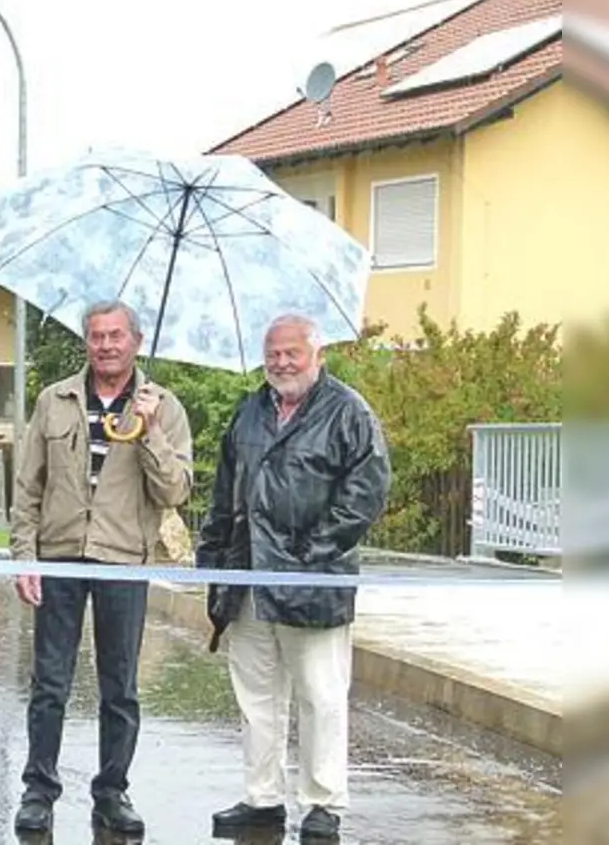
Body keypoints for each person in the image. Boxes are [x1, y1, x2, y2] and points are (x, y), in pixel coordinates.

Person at [196, 314, 391, 842]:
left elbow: (367, 492)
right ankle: (262, 798)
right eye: (273, 353)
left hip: (315, 581)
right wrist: (211, 556)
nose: (281, 363)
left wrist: (311, 553)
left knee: (320, 694)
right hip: (248, 579)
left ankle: (324, 803)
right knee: (256, 697)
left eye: (292, 353)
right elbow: (224, 491)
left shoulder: (348, 412)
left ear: (316, 354)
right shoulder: (249, 411)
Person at [8, 299, 195, 836]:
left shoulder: (164, 407)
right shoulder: (55, 400)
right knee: (50, 683)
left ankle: (112, 791)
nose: (106, 345)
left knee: (120, 686)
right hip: (61, 555)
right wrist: (25, 556)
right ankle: (38, 790)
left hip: (122, 561)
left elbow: (175, 490)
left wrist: (150, 432)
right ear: (86, 342)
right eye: (96, 336)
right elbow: (29, 487)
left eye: (116, 336)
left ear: (135, 341)